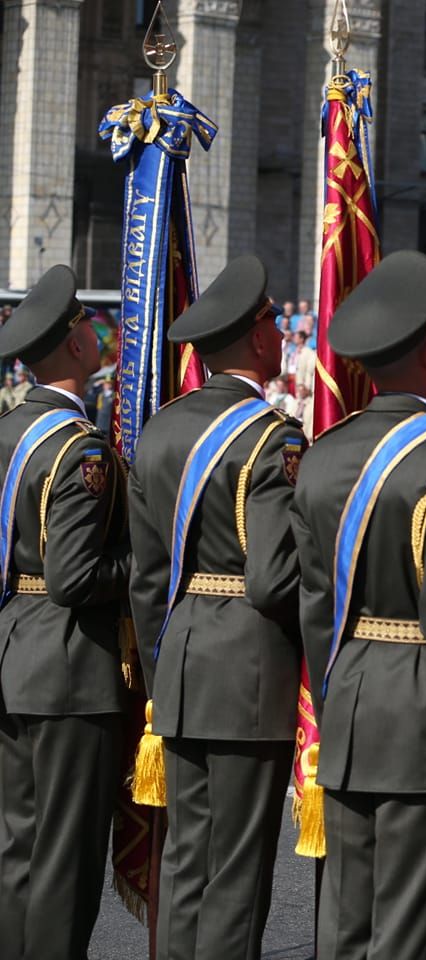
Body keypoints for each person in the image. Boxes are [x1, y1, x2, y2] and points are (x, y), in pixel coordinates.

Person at [291, 251, 426, 959]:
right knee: (410, 928)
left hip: (348, 702)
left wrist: (339, 693)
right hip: (425, 714)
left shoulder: (321, 454)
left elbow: (316, 606)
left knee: (346, 926)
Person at [127, 255, 306, 960]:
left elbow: (148, 580)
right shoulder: (272, 439)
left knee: (185, 861)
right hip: (248, 672)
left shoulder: (161, 429)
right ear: (257, 337)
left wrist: (160, 672)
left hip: (180, 662)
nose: (281, 336)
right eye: (274, 324)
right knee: (236, 873)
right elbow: (273, 579)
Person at [0, 265, 129, 960]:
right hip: (69, 668)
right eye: (90, 327)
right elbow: (75, 578)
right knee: (65, 861)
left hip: (12, 651)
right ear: (77, 344)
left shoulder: (8, 429)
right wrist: (146, 565)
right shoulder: (80, 449)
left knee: (17, 849)